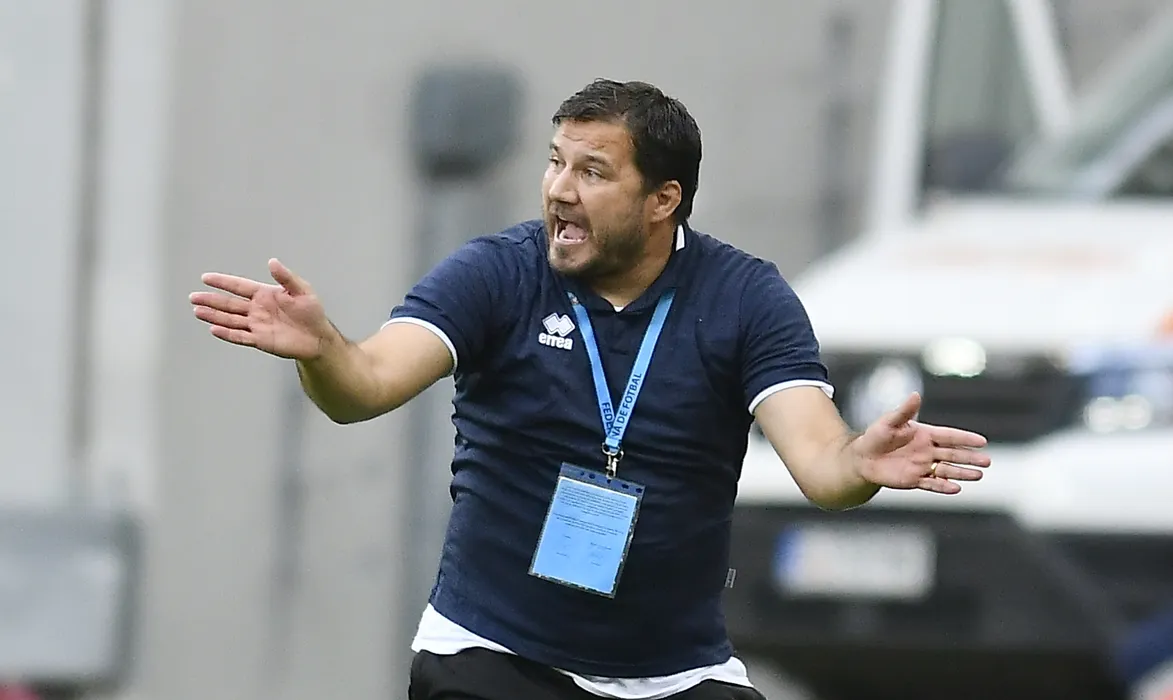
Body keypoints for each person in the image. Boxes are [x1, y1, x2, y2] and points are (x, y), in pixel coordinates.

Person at [190, 79, 991, 700]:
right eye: (555, 162)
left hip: (674, 673)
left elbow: (819, 464)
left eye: (592, 171)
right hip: (493, 653)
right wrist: (323, 349)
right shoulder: (498, 273)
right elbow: (364, 386)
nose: (558, 189)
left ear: (662, 200)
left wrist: (860, 463)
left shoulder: (745, 298)